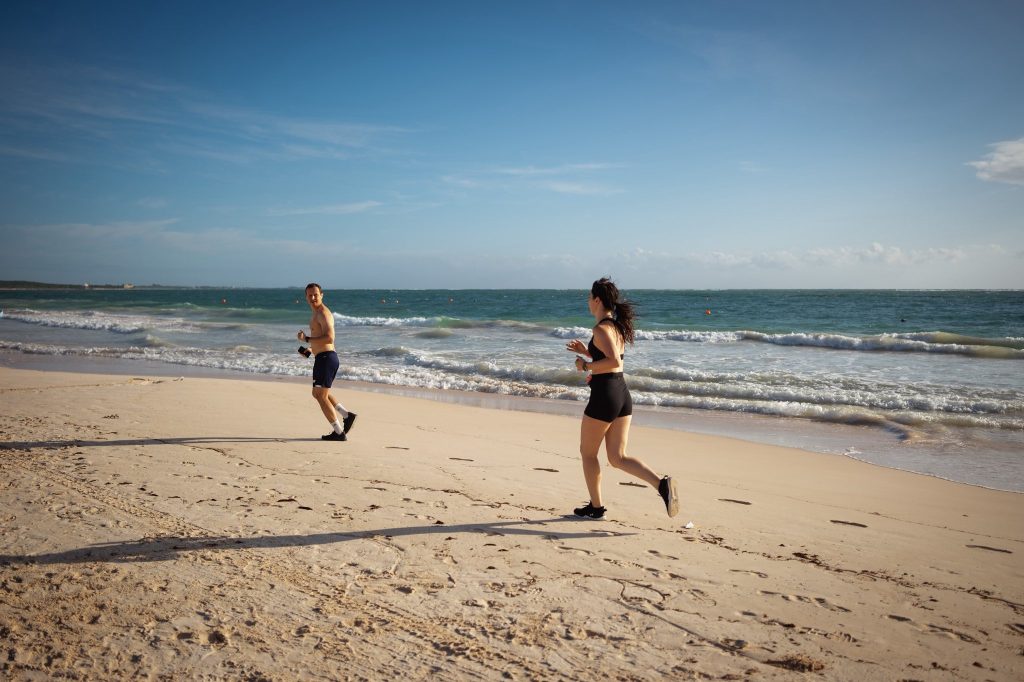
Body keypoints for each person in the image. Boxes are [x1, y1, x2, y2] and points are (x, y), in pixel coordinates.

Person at [565, 277, 678, 519]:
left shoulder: (600, 329)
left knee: (587, 453)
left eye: (589, 297)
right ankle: (661, 485)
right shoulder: (615, 327)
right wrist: (587, 352)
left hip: (605, 397)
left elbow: (613, 362)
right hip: (621, 395)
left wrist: (585, 366)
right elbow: (610, 359)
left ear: (597, 300)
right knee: (617, 457)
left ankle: (596, 508)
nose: (588, 301)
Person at [297, 283, 357, 441]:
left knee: (320, 395)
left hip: (327, 359)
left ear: (321, 295)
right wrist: (308, 350)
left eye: (316, 294)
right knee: (319, 394)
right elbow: (320, 341)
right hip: (322, 358)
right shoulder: (315, 315)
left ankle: (339, 432)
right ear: (306, 297)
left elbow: (330, 338)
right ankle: (346, 415)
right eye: (310, 295)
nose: (313, 297)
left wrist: (307, 338)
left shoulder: (323, 313)